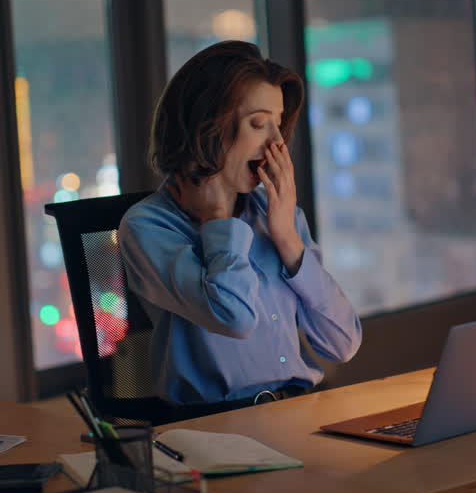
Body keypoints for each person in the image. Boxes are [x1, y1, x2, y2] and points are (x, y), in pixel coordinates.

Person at [118, 40, 361, 416]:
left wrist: (288, 239)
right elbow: (234, 317)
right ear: (206, 127)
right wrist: (218, 219)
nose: (277, 143)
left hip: (303, 412)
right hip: (219, 427)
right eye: (259, 124)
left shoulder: (278, 216)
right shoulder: (147, 227)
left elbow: (342, 344)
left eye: (279, 125)